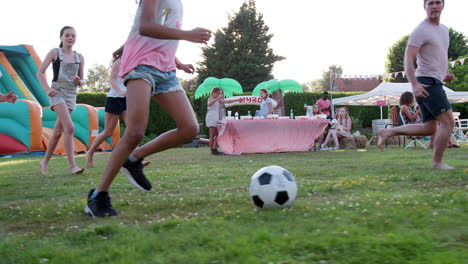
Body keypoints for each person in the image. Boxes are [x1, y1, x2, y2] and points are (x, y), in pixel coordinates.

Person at [85, 0, 212, 217]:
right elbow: (146, 26)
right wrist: (188, 34)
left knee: (189, 129)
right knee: (135, 132)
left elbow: (162, 33)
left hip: (166, 69)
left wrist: (178, 62)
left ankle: (133, 159)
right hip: (141, 65)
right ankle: (98, 196)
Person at [377, 0, 455, 170]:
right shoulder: (421, 30)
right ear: (424, 7)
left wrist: (444, 74)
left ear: (443, 5)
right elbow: (408, 58)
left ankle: (388, 132)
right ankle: (437, 162)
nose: (434, 6)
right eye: (430, 3)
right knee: (448, 122)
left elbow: (438, 55)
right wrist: (414, 84)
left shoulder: (444, 30)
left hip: (435, 80)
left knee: (429, 127)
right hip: (426, 82)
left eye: (437, 2)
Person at [37, 26, 85, 175]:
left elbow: (82, 80)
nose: (70, 38)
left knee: (58, 131)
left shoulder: (80, 57)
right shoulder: (54, 52)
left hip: (71, 94)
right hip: (56, 92)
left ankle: (44, 162)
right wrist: (47, 90)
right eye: (67, 35)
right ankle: (73, 166)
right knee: (69, 128)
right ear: (61, 37)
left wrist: (79, 81)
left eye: (73, 36)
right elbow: (39, 73)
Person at [86, 46, 128, 167]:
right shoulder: (119, 62)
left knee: (132, 129)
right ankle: (90, 153)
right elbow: (111, 79)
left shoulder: (133, 62)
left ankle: (135, 156)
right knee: (108, 132)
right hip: (115, 99)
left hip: (127, 99)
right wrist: (121, 91)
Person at [205, 87, 240, 155]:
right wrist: (217, 98)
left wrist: (237, 100)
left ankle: (214, 148)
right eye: (218, 93)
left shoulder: (218, 100)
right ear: (213, 93)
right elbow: (209, 104)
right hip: (211, 117)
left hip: (216, 117)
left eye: (220, 93)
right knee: (212, 135)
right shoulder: (210, 99)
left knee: (218, 134)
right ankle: (211, 150)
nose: (219, 95)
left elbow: (227, 102)